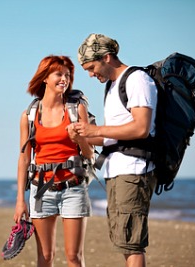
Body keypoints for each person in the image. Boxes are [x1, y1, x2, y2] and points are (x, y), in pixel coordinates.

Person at [72, 34, 158, 267]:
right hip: (116, 170)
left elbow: (142, 128)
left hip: (133, 170)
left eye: (91, 67)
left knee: (131, 242)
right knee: (123, 239)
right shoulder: (112, 86)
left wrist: (94, 130)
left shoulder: (137, 79)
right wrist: (84, 136)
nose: (90, 74)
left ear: (107, 57)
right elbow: (111, 137)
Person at [14, 55, 94, 267]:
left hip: (73, 189)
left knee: (74, 257)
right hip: (41, 191)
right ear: (44, 78)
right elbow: (24, 159)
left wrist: (80, 140)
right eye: (58, 74)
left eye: (67, 75)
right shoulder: (29, 115)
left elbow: (90, 154)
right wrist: (20, 200)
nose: (64, 79)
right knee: (46, 256)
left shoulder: (77, 110)